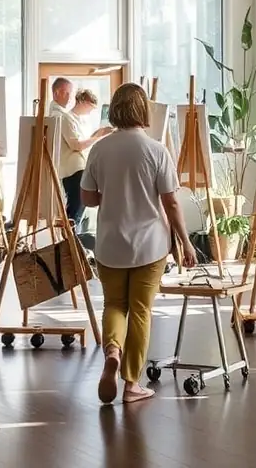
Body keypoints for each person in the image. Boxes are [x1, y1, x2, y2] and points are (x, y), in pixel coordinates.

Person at [82, 83, 196, 405]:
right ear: (143, 110)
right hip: (149, 245)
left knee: (114, 305)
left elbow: (88, 198)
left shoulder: (99, 149)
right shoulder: (156, 150)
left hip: (110, 244)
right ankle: (132, 384)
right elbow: (171, 203)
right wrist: (185, 242)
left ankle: (112, 352)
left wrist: (113, 194)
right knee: (141, 310)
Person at [53, 84, 111, 230]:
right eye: (90, 107)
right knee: (75, 209)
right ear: (82, 102)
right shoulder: (66, 118)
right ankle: (69, 243)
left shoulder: (82, 121)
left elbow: (84, 142)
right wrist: (97, 137)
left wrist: (96, 135)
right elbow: (76, 145)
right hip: (73, 170)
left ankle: (73, 241)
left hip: (82, 167)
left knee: (79, 208)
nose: (91, 111)